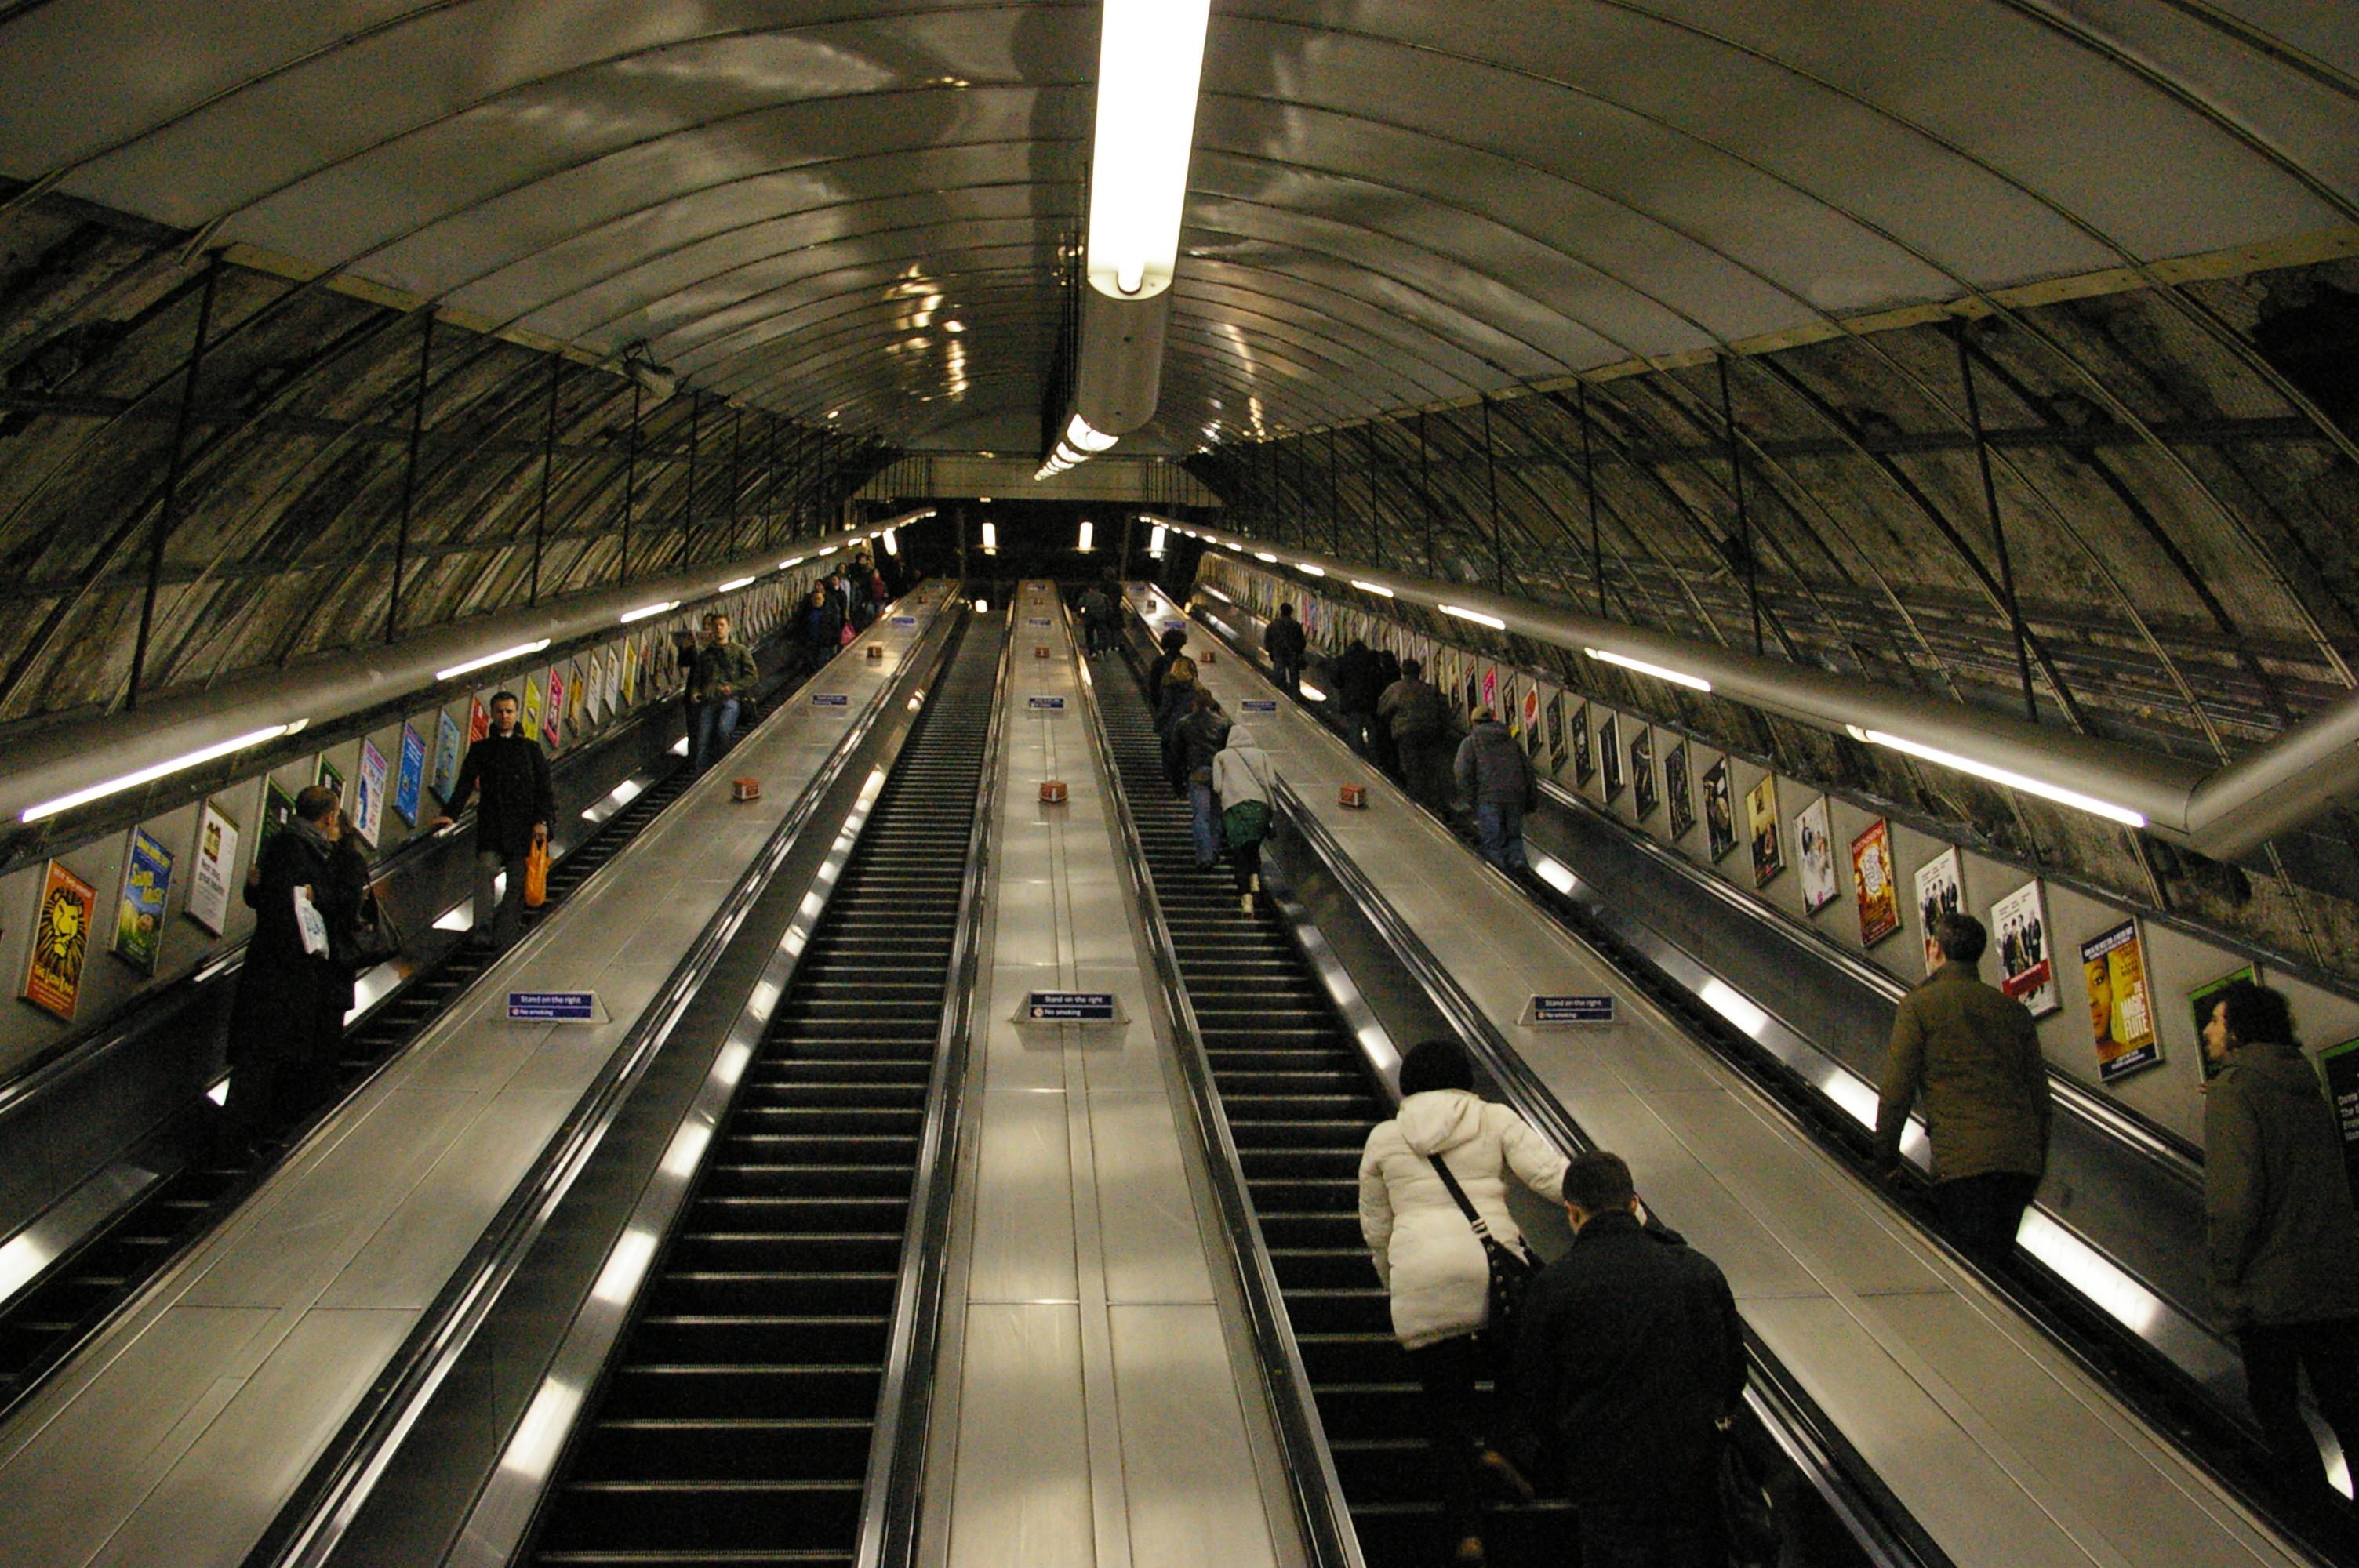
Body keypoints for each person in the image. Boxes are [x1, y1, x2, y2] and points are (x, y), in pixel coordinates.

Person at [1360, 1040, 1568, 1566]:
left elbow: (1376, 1226)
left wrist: (1395, 1283)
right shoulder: (1494, 1118)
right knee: (1523, 1357)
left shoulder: (1385, 1137)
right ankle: (1502, 1442)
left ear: (1408, 1083)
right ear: (1463, 1080)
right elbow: (1549, 1176)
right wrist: (1619, 1205)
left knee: (1446, 1415)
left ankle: (1467, 1533)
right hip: (1488, 1269)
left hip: (1422, 1274)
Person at [1514, 1151, 1747, 1568]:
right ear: (1634, 1204)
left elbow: (1534, 1390)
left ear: (1572, 1212)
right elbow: (1732, 1373)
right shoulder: (1698, 1272)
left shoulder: (1554, 1286)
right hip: (1692, 1473)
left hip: (1605, 1475)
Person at [2201, 979, 2359, 1534]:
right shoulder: (2305, 1086)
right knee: (2347, 1405)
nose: (2208, 1030)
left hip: (2268, 1287)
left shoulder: (2233, 1091)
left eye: (2217, 1021)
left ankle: (2315, 1529)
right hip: (2333, 1278)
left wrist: (2226, 1277)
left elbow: (2235, 1197)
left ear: (2239, 1032)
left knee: (2276, 1406)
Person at [1873, 912, 2052, 1271]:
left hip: (1962, 1167)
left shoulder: (1919, 1005)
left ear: (1935, 948)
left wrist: (1885, 1159)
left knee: (1972, 1271)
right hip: (2018, 1166)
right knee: (1996, 1265)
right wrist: (2035, 1167)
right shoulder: (2014, 1012)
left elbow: (1897, 1090)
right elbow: (2041, 1103)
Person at [221, 786, 351, 1153]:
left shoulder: (287, 845)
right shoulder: (296, 850)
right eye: (335, 815)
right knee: (262, 1059)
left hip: (277, 970)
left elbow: (263, 896)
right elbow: (286, 905)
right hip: (281, 974)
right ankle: (239, 1141)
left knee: (264, 1058)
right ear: (327, 817)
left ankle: (245, 1138)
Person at [429, 689, 554, 951]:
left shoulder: (531, 750)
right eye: (499, 712)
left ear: (516, 713)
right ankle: (482, 931)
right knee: (484, 872)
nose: (505, 716)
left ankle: (506, 931)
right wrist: (450, 814)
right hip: (492, 826)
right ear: (493, 715)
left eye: (509, 711)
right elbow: (464, 784)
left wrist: (543, 820)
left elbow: (544, 789)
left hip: (523, 828)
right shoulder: (481, 750)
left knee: (517, 882)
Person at [1454, 707, 1536, 869]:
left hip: (1488, 798)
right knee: (1514, 837)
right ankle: (1518, 863)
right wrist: (1531, 801)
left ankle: (1500, 874)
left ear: (1473, 722)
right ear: (1494, 719)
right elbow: (1528, 772)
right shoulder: (1512, 742)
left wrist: (1472, 798)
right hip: (1515, 797)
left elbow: (1462, 772)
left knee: (1493, 841)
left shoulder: (1470, 742)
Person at [1212, 721, 1274, 913]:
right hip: (1259, 808)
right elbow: (1272, 782)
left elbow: (1217, 786)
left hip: (1235, 809)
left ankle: (1246, 901)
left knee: (1239, 854)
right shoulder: (1261, 754)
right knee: (1253, 847)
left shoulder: (1221, 757)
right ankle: (1255, 877)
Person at [1380, 657, 1456, 811]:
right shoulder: (1430, 689)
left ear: (1403, 671)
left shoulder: (1396, 688)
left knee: (1411, 767)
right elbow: (1444, 709)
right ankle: (1435, 802)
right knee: (1430, 766)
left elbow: (1382, 710)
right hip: (1430, 732)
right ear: (1419, 672)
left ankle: (1417, 802)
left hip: (1406, 734)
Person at [690, 611, 758, 771]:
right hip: (709, 700)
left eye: (722, 625)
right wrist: (695, 692)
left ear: (729, 628)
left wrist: (733, 687)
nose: (718, 629)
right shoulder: (706, 654)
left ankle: (726, 768)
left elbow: (753, 676)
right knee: (702, 741)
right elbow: (697, 678)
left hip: (730, 699)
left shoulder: (739, 651)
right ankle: (701, 776)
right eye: (715, 626)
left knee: (724, 731)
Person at [1175, 686, 1232, 869]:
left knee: (1201, 815)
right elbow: (1227, 750)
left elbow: (1177, 751)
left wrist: (1180, 776)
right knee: (1216, 814)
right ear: (1210, 703)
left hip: (1197, 771)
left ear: (1193, 703)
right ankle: (1215, 851)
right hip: (1218, 772)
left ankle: (1205, 856)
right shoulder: (1222, 724)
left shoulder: (1184, 723)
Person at [1157, 653, 1198, 795]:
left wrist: (1159, 724)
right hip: (1191, 727)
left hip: (1173, 727)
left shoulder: (1171, 687)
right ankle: (1187, 783)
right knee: (1186, 755)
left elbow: (1166, 708)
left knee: (1171, 753)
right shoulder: (1196, 688)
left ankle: (1176, 786)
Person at [1332, 638, 1383, 756]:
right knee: (1372, 729)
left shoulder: (1344, 660)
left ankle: (1358, 757)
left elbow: (1336, 680)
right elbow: (1379, 679)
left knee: (1355, 729)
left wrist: (1345, 688)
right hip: (1370, 701)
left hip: (1352, 702)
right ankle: (1375, 758)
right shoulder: (1371, 660)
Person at [1368, 646, 1403, 774]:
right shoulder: (1397, 675)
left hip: (1384, 714)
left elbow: (1377, 695)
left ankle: (1381, 765)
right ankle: (1395, 769)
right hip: (1396, 716)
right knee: (1393, 745)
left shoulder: (1378, 674)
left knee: (1382, 740)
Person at [1263, 602, 1307, 695]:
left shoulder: (1273, 625)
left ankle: (1280, 695)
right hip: (1293, 655)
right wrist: (1299, 652)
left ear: (1281, 612)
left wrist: (1271, 652)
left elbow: (1267, 640)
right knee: (1294, 678)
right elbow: (1302, 642)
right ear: (1291, 613)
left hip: (1279, 654)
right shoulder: (1296, 625)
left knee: (1279, 677)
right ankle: (1295, 697)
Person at [1146, 626, 1189, 710]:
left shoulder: (1159, 662)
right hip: (1182, 709)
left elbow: (1153, 687)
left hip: (1164, 707)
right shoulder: (1187, 663)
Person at [804, 586, 844, 663]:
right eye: (815, 599)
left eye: (819, 599)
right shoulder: (808, 613)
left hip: (826, 644)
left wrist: (836, 643)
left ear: (823, 600)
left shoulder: (830, 613)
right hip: (812, 643)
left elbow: (836, 628)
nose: (817, 601)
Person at [1080, 582, 1116, 657]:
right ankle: (1101, 649)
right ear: (1099, 589)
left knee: (1089, 635)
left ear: (1089, 589)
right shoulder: (1104, 597)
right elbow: (1109, 608)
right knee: (1101, 634)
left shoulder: (1086, 596)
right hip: (1101, 618)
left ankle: (1092, 652)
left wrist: (1081, 616)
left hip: (1089, 618)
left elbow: (1081, 606)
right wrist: (1107, 616)